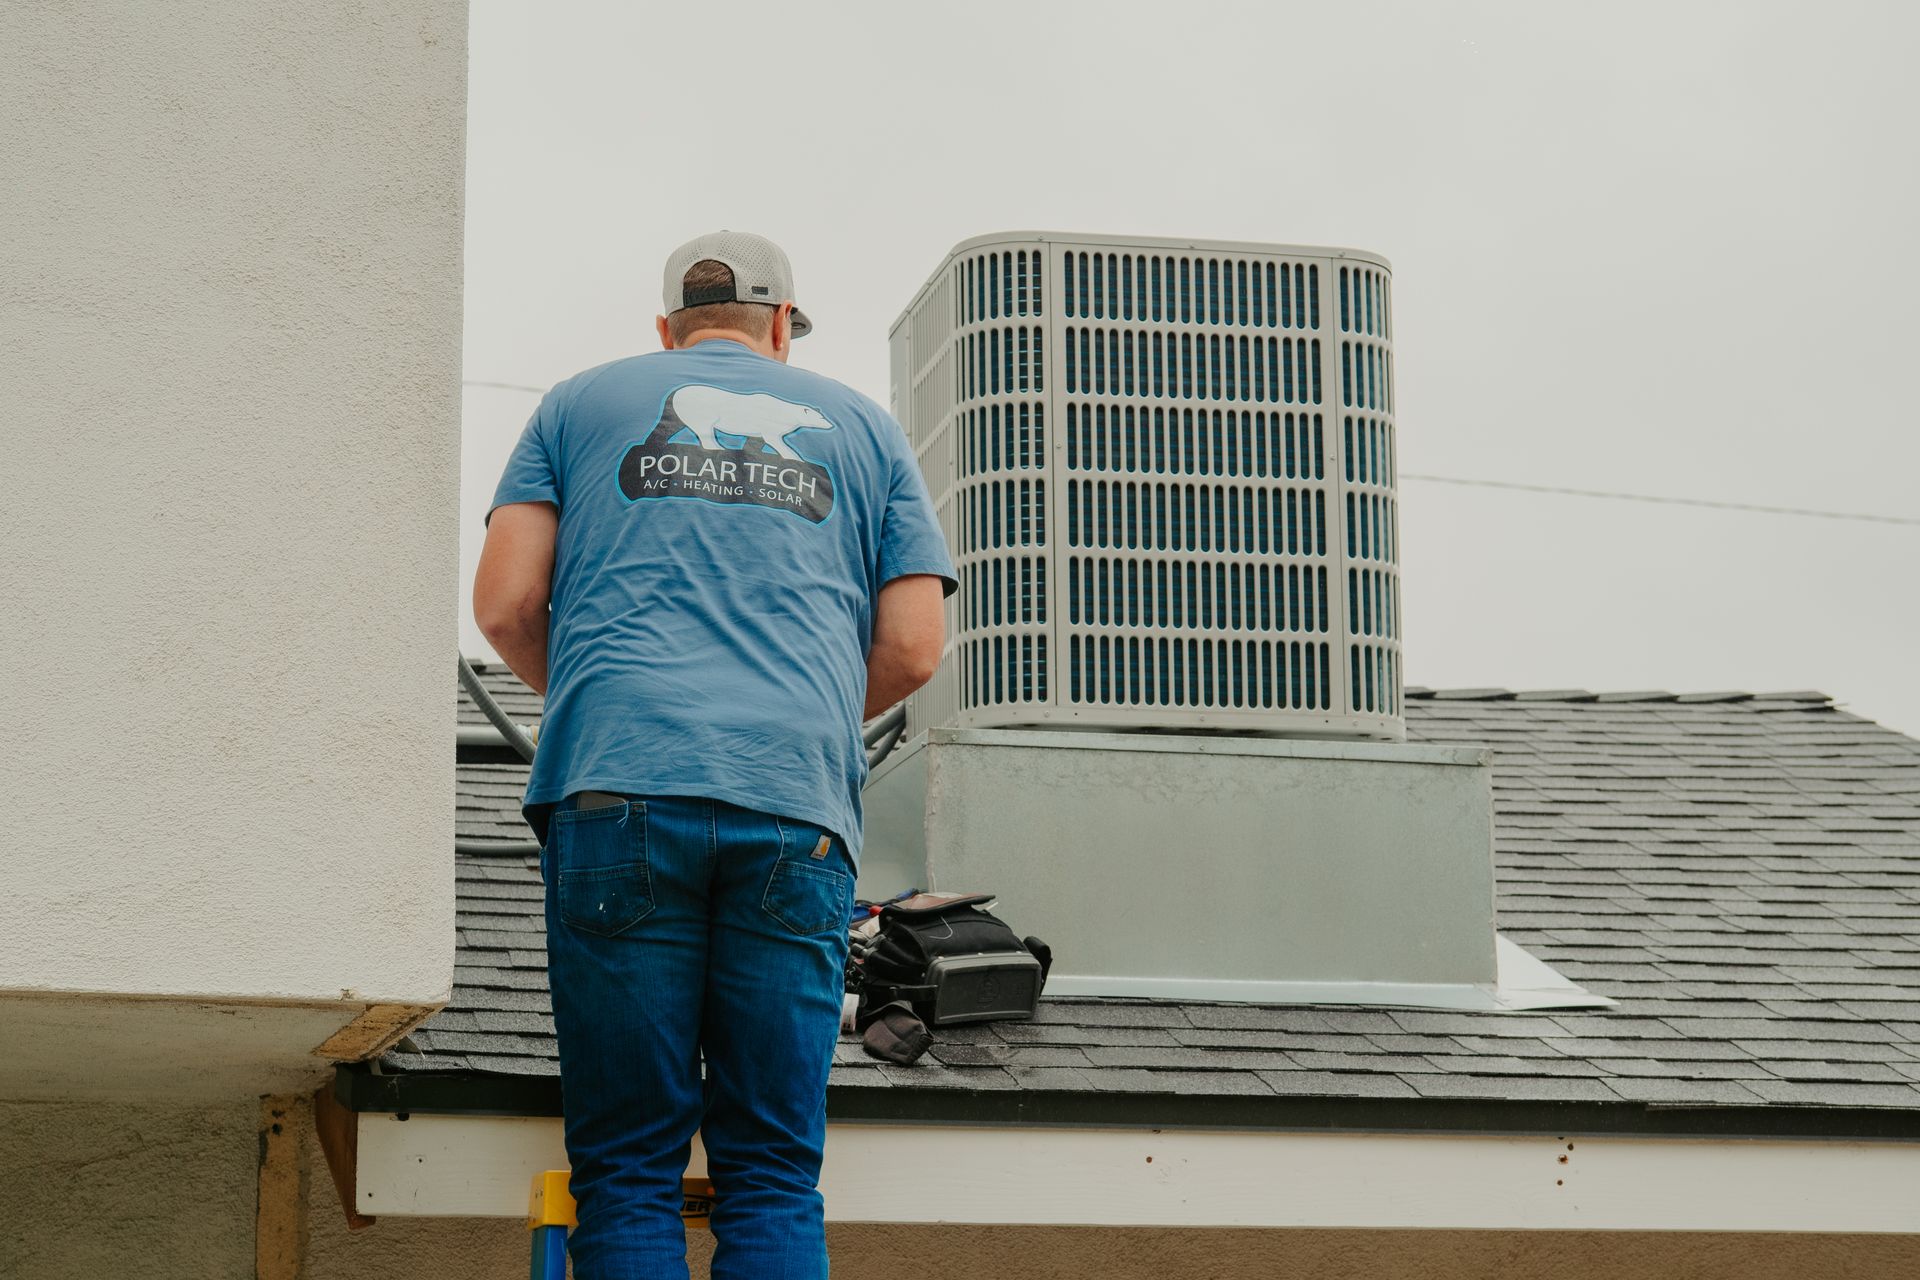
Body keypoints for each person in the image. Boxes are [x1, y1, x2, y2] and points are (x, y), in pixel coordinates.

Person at [473, 230, 954, 1280]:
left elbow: (506, 604)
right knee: (772, 1172)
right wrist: (800, 717)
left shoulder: (575, 404)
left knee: (626, 1170)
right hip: (792, 807)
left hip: (616, 791)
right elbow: (917, 647)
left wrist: (610, 709)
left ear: (668, 329)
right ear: (781, 326)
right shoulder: (865, 429)